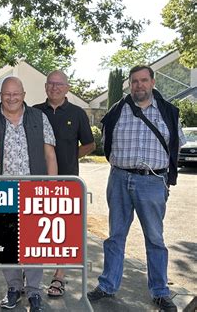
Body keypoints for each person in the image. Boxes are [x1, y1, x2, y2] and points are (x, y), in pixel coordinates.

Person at [87, 65, 186, 312]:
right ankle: (108, 285)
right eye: (134, 81)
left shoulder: (167, 112)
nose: (139, 85)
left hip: (152, 181)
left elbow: (176, 145)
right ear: (130, 84)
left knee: (155, 238)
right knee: (115, 237)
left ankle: (160, 292)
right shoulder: (118, 110)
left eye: (143, 80)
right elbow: (106, 144)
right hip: (119, 179)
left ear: (152, 82)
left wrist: (165, 177)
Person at [0, 77, 58, 312]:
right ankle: (13, 288)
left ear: (24, 94)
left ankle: (34, 291)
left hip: (34, 189)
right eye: (7, 94)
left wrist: (51, 188)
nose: (11, 98)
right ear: (0, 95)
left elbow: (50, 156)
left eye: (16, 93)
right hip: (1, 192)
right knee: (7, 244)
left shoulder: (39, 118)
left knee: (33, 244)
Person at [33, 70, 95, 296]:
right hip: (38, 179)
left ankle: (59, 276)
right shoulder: (34, 112)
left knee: (62, 231)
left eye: (59, 84)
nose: (54, 87)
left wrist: (69, 157)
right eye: (50, 83)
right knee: (36, 227)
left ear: (67, 88)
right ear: (45, 86)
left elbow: (90, 144)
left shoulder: (78, 113)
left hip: (67, 179)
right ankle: (32, 275)